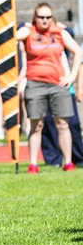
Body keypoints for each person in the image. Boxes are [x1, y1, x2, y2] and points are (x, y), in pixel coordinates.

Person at [16, 3, 82, 174]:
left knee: (63, 124)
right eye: (41, 17)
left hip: (57, 84)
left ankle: (67, 162)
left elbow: (78, 51)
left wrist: (72, 75)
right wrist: (26, 27)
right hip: (35, 83)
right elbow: (14, 36)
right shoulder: (29, 31)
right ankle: (33, 164)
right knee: (36, 125)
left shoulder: (60, 33)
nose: (45, 21)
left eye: (48, 17)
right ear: (35, 18)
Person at [40, 26, 83, 166]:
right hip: (44, 86)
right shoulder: (41, 44)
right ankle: (53, 159)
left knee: (72, 123)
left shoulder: (62, 35)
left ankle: (78, 157)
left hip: (63, 87)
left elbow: (78, 54)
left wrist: (72, 78)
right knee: (48, 123)